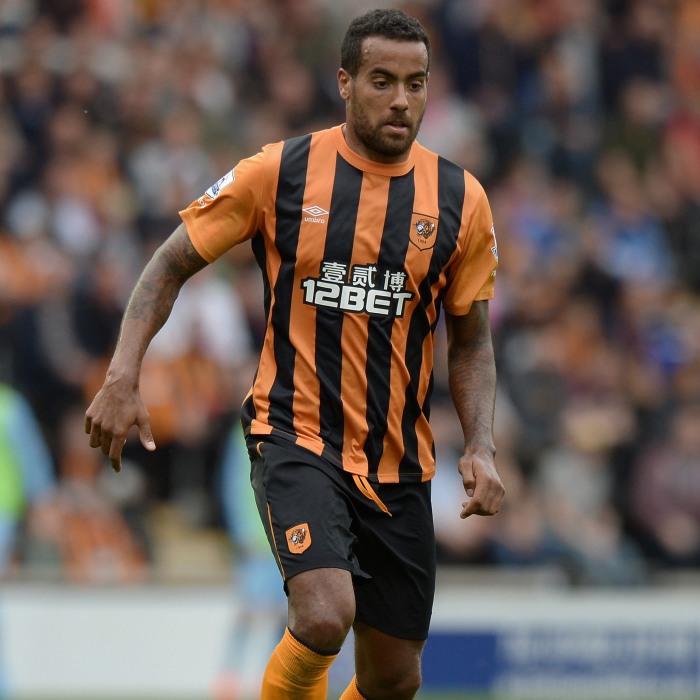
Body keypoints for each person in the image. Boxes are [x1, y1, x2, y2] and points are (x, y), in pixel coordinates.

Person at [84, 8, 505, 699]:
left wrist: (481, 445)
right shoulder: (280, 172)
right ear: (344, 82)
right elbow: (167, 266)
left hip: (399, 461)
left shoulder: (462, 200)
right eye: (381, 81)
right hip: (295, 434)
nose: (401, 100)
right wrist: (123, 374)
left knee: (394, 678)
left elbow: (472, 340)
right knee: (323, 613)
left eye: (416, 83)